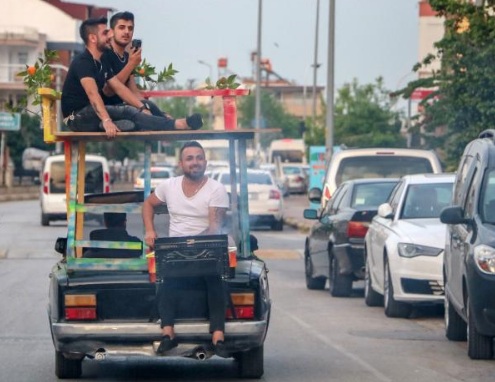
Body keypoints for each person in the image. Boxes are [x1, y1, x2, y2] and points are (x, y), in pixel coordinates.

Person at [142, 141, 229, 355]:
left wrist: (192, 247)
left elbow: (213, 229)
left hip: (206, 247)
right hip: (175, 250)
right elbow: (148, 203)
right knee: (167, 279)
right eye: (190, 158)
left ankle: (218, 336)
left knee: (215, 279)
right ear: (181, 163)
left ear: (205, 162)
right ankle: (168, 333)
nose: (195, 162)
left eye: (199, 158)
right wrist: (150, 230)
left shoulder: (216, 189)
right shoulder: (169, 186)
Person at [61, 17, 202, 139]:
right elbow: (92, 93)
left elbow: (119, 87)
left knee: (139, 108)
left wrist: (142, 107)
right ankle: (177, 124)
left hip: (92, 113)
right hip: (76, 117)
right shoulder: (83, 61)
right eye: (105, 33)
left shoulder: (101, 61)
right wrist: (106, 120)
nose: (110, 36)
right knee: (128, 111)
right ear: (92, 38)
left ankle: (140, 124)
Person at [101, 11, 165, 117]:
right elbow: (109, 91)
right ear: (111, 32)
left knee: (149, 107)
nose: (127, 32)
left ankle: (173, 123)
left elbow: (134, 92)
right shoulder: (104, 54)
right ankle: (176, 124)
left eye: (130, 28)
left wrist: (156, 112)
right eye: (121, 27)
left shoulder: (127, 57)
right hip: (104, 111)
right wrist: (131, 64)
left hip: (122, 107)